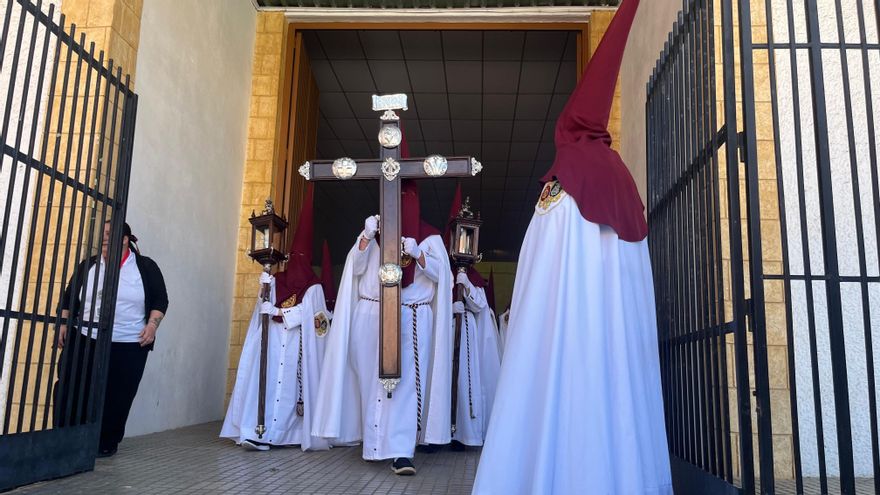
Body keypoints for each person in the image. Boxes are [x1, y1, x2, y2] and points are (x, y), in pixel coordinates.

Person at [472, 1, 673, 493]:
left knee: (562, 398)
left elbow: (539, 279)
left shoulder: (561, 188)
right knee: (616, 397)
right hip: (615, 338)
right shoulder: (622, 182)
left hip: (563, 336)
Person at [313, 180, 453, 476]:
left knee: (404, 388)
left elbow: (444, 277)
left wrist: (419, 255)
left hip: (411, 316)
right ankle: (374, 443)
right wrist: (366, 237)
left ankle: (401, 451)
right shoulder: (374, 232)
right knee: (370, 382)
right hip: (371, 313)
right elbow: (355, 267)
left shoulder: (430, 237)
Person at [221, 185, 330, 452]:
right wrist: (264, 290)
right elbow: (262, 309)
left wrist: (280, 312)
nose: (297, 263)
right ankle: (258, 432)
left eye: (302, 258)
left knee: (290, 390)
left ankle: (285, 436)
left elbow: (314, 316)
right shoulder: (276, 279)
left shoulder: (314, 286)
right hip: (272, 343)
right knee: (268, 386)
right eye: (294, 257)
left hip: (296, 344)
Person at [55, 221, 168, 458]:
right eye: (103, 234)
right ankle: (66, 438)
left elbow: (160, 299)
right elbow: (69, 296)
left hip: (128, 343)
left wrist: (152, 325)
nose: (104, 237)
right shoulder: (89, 265)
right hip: (85, 337)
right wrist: (63, 323)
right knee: (72, 386)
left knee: (118, 394)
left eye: (110, 233)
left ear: (125, 239)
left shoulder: (145, 267)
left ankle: (105, 442)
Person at [445, 185, 501, 449]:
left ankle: (463, 433)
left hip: (466, 331)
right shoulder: (441, 270)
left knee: (465, 380)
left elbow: (480, 304)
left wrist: (465, 285)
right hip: (444, 331)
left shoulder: (473, 276)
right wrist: (448, 309)